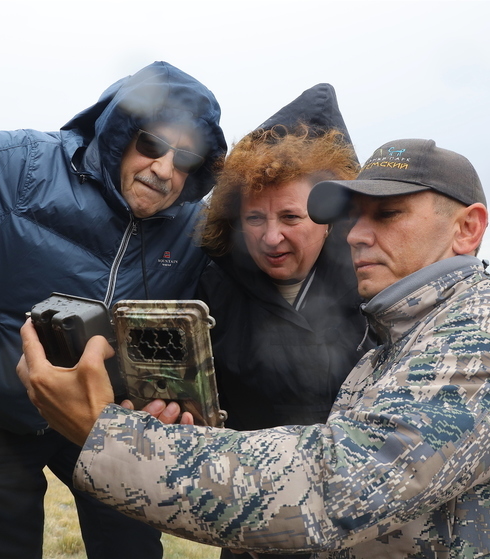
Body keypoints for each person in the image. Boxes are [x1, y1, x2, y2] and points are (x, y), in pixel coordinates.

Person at [17, 138, 490, 557]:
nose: (359, 234)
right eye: (355, 218)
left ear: (468, 229)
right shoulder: (392, 349)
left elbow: (338, 486)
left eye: (388, 215)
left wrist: (108, 435)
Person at [0, 61, 227, 559]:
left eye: (185, 157)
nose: (164, 168)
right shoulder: (24, 168)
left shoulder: (195, 229)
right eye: (151, 143)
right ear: (119, 133)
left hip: (102, 417)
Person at [198, 83, 373, 559]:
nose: (271, 238)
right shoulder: (212, 288)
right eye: (255, 218)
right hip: (255, 523)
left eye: (291, 217)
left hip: (365, 525)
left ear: (329, 216)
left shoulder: (373, 283)